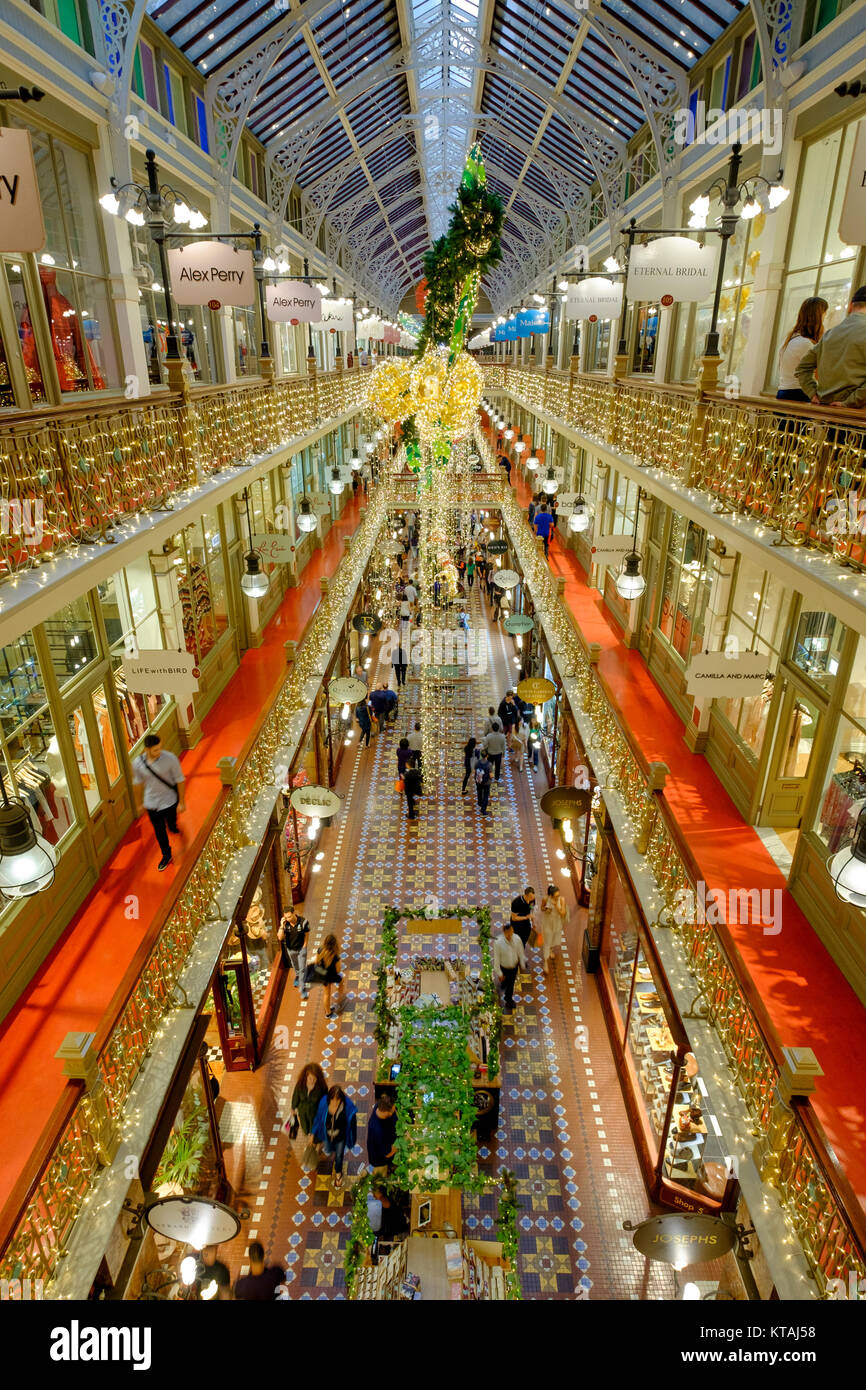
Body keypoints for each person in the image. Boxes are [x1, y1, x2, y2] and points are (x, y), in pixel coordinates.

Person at [795, 286, 866, 406]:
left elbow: (802, 368)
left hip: (825, 412)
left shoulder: (830, 334)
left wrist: (813, 393)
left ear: (850, 306)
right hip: (855, 415)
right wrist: (849, 402)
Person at [132, 733, 186, 872]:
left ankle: (173, 825)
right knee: (159, 830)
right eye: (155, 750)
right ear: (146, 750)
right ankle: (166, 854)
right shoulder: (138, 763)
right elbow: (137, 784)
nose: (159, 752)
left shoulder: (170, 759)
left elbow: (180, 779)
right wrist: (139, 804)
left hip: (169, 800)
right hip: (152, 804)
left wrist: (181, 801)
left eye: (160, 748)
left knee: (171, 822)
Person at [777, 297, 828, 402]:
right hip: (799, 394)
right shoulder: (806, 344)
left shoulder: (789, 339)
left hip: (783, 392)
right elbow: (820, 375)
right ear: (818, 317)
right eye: (824, 315)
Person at [312, 1084, 357, 1190]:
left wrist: (352, 1139)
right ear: (329, 1099)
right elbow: (318, 1118)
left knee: (339, 1156)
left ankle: (338, 1173)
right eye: (333, 1100)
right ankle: (329, 1151)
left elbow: (352, 1125)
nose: (335, 1103)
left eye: (338, 1100)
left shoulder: (348, 1108)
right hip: (327, 1135)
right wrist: (313, 1133)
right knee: (328, 1149)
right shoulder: (323, 1103)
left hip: (340, 1137)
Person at [288, 1062, 328, 1163]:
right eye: (310, 1078)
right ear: (306, 1076)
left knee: (316, 1135)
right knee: (307, 1131)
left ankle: (317, 1146)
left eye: (315, 1079)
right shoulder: (300, 1084)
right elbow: (296, 1096)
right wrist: (293, 1109)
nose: (312, 1081)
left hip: (316, 1116)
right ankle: (313, 1143)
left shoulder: (322, 1088)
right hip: (304, 1115)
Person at [308, 933, 345, 1017]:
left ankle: (328, 1012)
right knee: (341, 981)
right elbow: (338, 970)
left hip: (322, 975)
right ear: (335, 944)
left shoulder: (320, 950)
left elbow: (317, 962)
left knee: (326, 993)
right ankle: (340, 998)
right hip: (331, 975)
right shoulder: (335, 956)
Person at [493, 921, 526, 1014]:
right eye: (507, 933)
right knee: (505, 981)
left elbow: (520, 952)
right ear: (504, 932)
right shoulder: (498, 942)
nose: (509, 935)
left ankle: (508, 999)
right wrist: (499, 973)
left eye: (511, 932)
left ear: (513, 930)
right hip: (504, 967)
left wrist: (522, 964)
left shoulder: (517, 939)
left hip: (514, 967)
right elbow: (496, 959)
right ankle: (503, 985)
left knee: (511, 984)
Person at [278, 907, 311, 998]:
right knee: (295, 965)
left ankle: (302, 989)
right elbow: (280, 938)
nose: (288, 919)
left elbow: (307, 934)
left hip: (301, 949)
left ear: (294, 913)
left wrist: (305, 946)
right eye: (286, 917)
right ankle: (297, 976)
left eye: (289, 916)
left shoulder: (303, 922)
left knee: (302, 969)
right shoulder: (285, 924)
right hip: (290, 949)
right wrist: (281, 925)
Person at [367, 1092, 397, 1175]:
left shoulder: (379, 1106)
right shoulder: (377, 1131)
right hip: (379, 1161)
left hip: (386, 1144)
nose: (395, 1111)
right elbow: (387, 1154)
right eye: (393, 1111)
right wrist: (399, 1145)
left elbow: (394, 1115)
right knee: (380, 1177)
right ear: (387, 1112)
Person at [539, 884, 568, 973]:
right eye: (555, 896)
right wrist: (546, 909)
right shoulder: (545, 899)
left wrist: (556, 906)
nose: (557, 897)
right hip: (547, 922)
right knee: (547, 941)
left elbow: (563, 913)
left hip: (557, 923)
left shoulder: (562, 900)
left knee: (555, 937)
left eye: (558, 895)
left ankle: (551, 949)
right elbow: (542, 908)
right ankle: (546, 962)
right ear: (550, 896)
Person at [483, 718, 506, 782]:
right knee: (498, 767)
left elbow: (485, 745)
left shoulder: (489, 736)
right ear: (498, 728)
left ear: (492, 728)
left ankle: (489, 777)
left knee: (489, 766)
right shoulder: (502, 736)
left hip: (490, 754)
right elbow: (504, 746)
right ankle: (497, 778)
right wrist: (504, 754)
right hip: (498, 754)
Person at [474, 748, 493, 816]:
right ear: (487, 755)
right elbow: (491, 775)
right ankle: (483, 810)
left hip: (478, 781)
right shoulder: (489, 764)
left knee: (479, 791)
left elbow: (474, 771)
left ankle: (480, 802)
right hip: (486, 782)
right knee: (485, 795)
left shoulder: (477, 762)